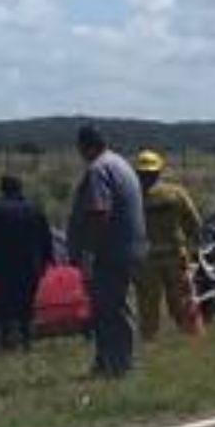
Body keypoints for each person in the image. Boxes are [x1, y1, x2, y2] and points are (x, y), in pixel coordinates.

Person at [67, 124, 147, 378]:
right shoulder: (120, 164)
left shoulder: (98, 170)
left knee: (110, 310)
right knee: (113, 307)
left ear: (83, 146)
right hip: (127, 250)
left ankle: (119, 365)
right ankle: (109, 362)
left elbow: (99, 212)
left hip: (109, 253)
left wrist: (89, 252)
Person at [131, 150, 205, 342]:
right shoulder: (176, 193)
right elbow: (194, 224)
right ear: (160, 170)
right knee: (182, 299)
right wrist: (194, 250)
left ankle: (149, 340)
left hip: (147, 259)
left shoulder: (131, 197)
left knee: (148, 304)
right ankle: (191, 336)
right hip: (174, 255)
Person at [0, 173, 53, 350]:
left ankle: (6, 341)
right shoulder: (34, 210)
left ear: (2, 189)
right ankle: (27, 341)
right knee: (26, 304)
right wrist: (47, 260)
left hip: (3, 269)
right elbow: (45, 238)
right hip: (30, 267)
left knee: (4, 307)